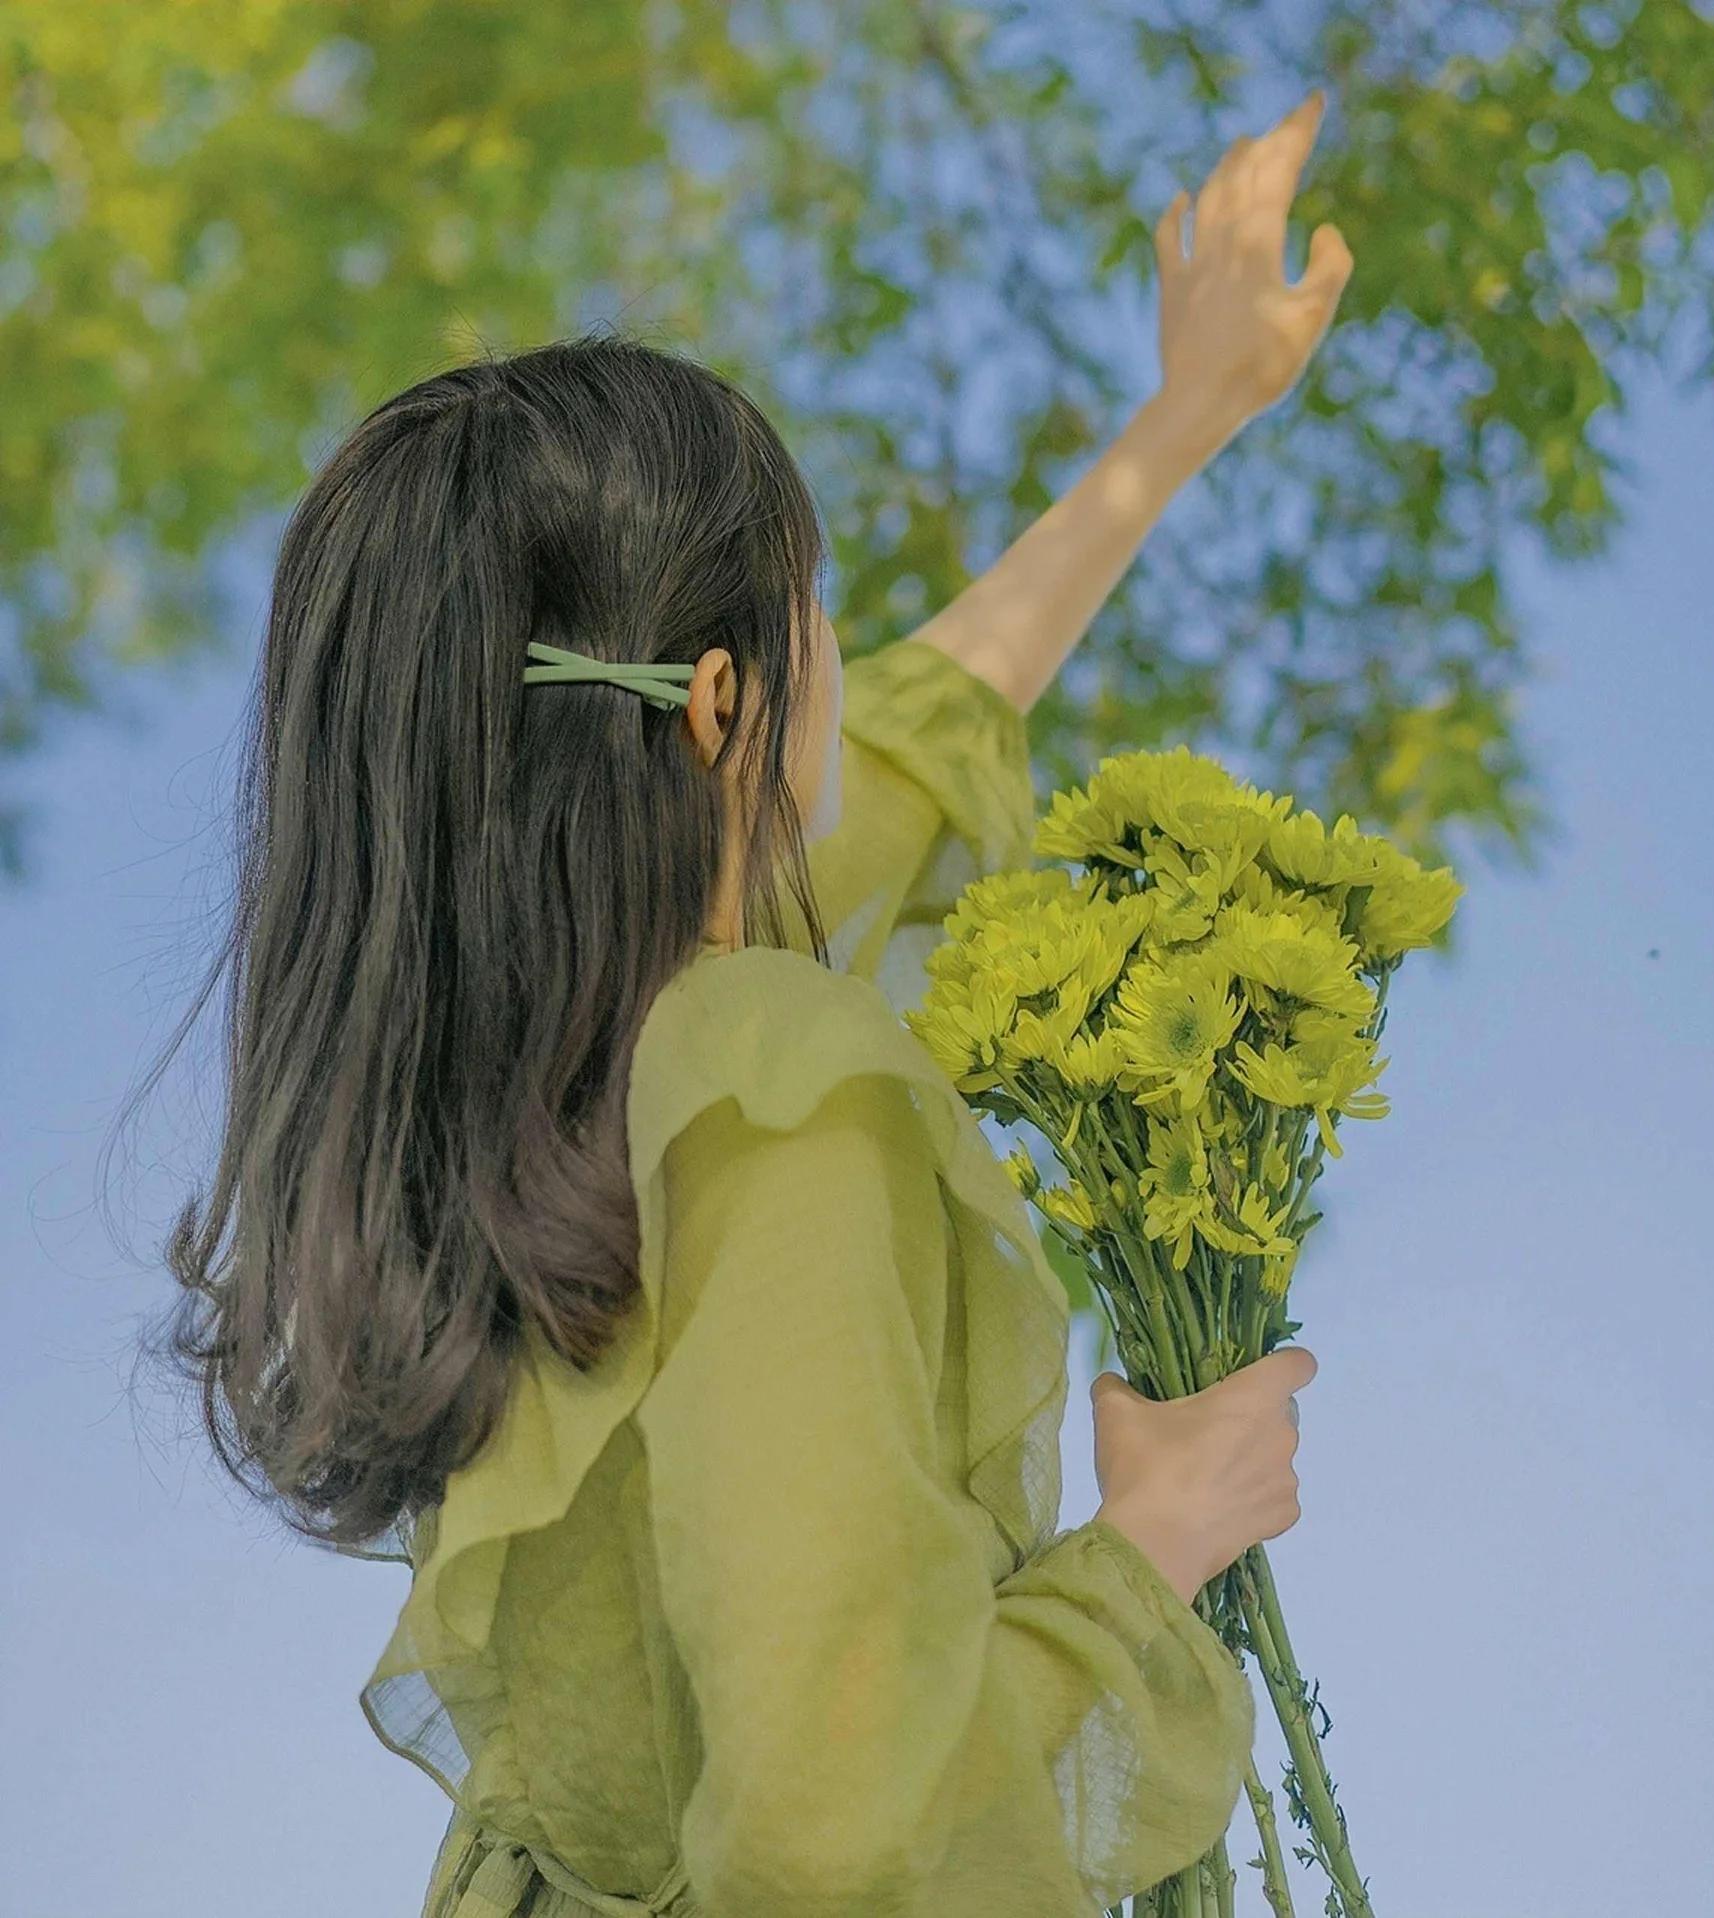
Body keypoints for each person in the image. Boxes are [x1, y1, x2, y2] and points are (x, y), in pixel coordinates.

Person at [147, 92, 1351, 1917]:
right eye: (821, 600)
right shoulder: (774, 1072)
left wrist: (1186, 414)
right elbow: (831, 1829)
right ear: (723, 701)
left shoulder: (542, 1089)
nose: (860, 652)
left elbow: (937, 729)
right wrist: (1148, 1548)